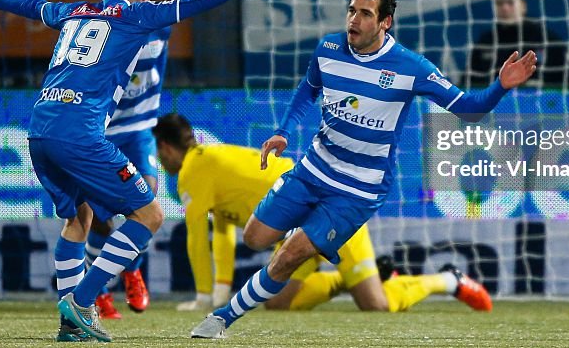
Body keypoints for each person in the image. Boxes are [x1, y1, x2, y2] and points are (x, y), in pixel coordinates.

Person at [190, 0, 536, 339]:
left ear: (385, 22)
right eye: (352, 10)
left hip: (358, 189)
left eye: (365, 14)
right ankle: (307, 236)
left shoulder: (410, 67)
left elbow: (469, 109)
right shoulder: (328, 48)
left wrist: (501, 86)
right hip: (313, 169)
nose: (354, 20)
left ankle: (221, 319)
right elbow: (308, 89)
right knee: (255, 238)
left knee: (294, 256)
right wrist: (284, 130)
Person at [0, 0, 276, 343]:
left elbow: (33, 5)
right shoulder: (137, 15)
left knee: (78, 219)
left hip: (39, 130)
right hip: (79, 134)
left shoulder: (75, 11)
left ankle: (72, 325)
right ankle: (82, 302)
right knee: (149, 214)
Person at [153, 113, 491, 316]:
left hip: (332, 210)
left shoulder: (191, 172)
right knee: (278, 303)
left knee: (376, 305)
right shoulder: (212, 161)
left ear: (167, 148)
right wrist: (219, 292)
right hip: (297, 228)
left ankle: (449, 280)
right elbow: (222, 231)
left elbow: (199, 237)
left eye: (159, 152)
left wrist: (202, 298)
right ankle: (345, 278)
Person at [86, 0, 170, 320]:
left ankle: (131, 270)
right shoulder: (92, 27)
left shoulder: (158, 23)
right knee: (96, 218)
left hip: (138, 130)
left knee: (146, 200)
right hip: (101, 131)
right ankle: (101, 291)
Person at [468, 0, 569, 88]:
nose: (504, 8)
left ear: (523, 6)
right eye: (499, 3)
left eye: (510, 2)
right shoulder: (486, 43)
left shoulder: (545, 39)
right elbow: (468, 83)